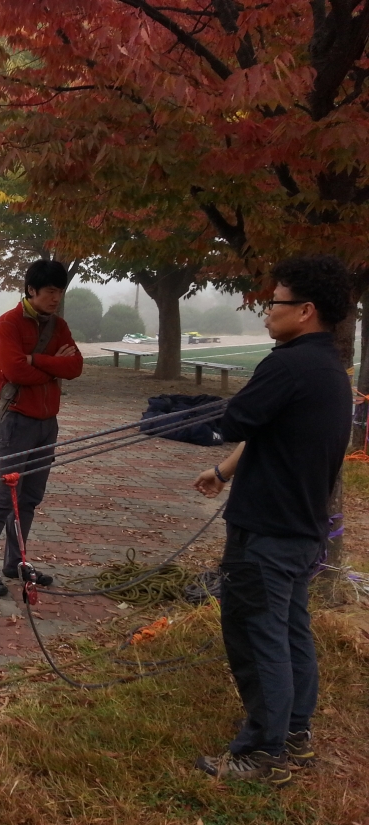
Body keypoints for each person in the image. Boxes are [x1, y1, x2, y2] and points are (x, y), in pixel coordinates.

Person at [193, 255, 352, 785]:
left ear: (305, 311)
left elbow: (236, 419)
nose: (266, 312)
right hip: (301, 529)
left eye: (275, 303)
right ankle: (294, 733)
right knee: (288, 630)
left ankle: (263, 753)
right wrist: (223, 471)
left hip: (266, 531)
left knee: (257, 636)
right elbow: (268, 431)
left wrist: (166, 420)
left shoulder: (285, 365)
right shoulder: (328, 368)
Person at [0, 260, 83, 597]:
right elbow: (15, 371)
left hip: (48, 424)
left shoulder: (59, 325)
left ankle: (15, 562)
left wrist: (37, 360)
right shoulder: (8, 323)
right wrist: (53, 365)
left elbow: (75, 366)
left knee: (30, 498)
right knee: (5, 497)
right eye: (50, 291)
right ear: (31, 290)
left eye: (60, 291)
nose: (56, 298)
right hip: (17, 421)